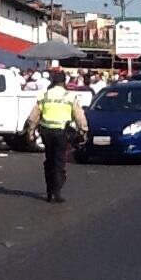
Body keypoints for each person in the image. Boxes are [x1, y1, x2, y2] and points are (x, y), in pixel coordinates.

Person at [26, 70, 88, 203]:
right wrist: (83, 131)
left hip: (46, 133)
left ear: (53, 81)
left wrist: (30, 132)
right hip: (61, 133)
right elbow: (80, 117)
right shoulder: (70, 96)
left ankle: (49, 190)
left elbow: (33, 117)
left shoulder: (44, 95)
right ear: (64, 82)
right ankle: (56, 191)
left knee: (49, 160)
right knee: (59, 161)